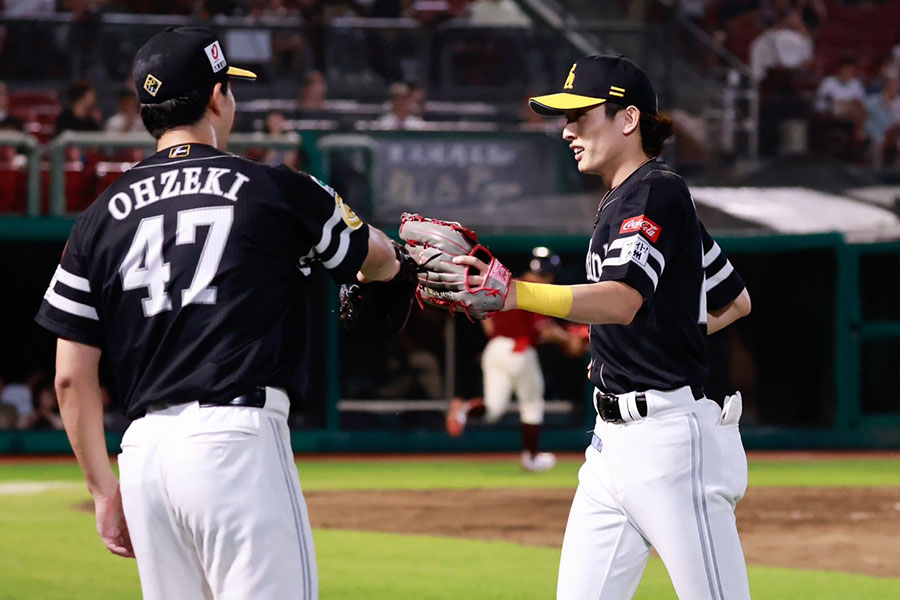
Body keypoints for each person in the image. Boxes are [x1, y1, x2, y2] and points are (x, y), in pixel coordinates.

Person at [35, 26, 408, 600]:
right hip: (235, 442)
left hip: (144, 456)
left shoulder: (97, 217)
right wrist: (400, 259)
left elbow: (68, 377)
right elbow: (377, 261)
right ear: (216, 97)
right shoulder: (275, 188)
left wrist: (105, 490)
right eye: (229, 88)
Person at [444, 55, 752, 598]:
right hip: (610, 446)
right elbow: (733, 300)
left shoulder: (656, 192)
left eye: (581, 115)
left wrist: (517, 292)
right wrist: (629, 346)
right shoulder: (631, 199)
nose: (566, 130)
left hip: (670, 444)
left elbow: (622, 299)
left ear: (628, 119)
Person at [446, 251, 587, 472]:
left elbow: (488, 323)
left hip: (494, 349)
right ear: (549, 274)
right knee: (532, 404)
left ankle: (464, 409)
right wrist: (570, 339)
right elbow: (544, 328)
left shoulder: (508, 285)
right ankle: (531, 458)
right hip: (519, 349)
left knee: (493, 410)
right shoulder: (535, 289)